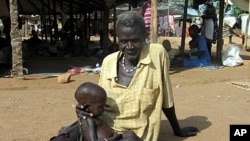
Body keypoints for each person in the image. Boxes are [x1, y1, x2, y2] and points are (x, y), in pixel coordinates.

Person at [77, 11, 198, 141]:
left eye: (135, 40)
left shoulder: (156, 55)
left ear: (145, 36)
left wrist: (177, 129)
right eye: (123, 41)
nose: (129, 47)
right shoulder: (108, 62)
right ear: (117, 38)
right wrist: (84, 111)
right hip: (108, 132)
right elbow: (99, 106)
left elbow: (166, 99)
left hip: (139, 137)